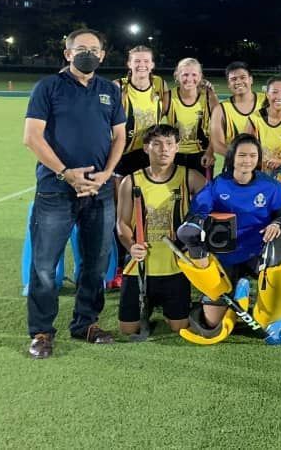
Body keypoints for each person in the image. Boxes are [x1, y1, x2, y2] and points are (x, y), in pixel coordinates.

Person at [23, 28, 127, 358]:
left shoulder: (110, 91)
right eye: (80, 49)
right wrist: (67, 174)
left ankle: (86, 323)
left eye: (93, 49)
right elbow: (32, 137)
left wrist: (107, 175)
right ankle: (41, 331)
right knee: (43, 265)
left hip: (99, 191)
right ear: (67, 54)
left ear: (102, 56)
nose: (87, 54)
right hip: (56, 190)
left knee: (96, 263)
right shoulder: (48, 87)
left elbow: (120, 137)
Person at [179, 133, 281, 339]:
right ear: (232, 157)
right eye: (242, 155)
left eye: (253, 156)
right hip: (225, 254)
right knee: (211, 323)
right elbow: (199, 210)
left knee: (274, 311)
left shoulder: (270, 187)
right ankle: (235, 297)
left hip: (259, 253)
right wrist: (196, 223)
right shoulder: (218, 185)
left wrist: (277, 223)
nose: (247, 160)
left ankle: (258, 301)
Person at [115, 124, 206, 336]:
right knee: (128, 330)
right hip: (140, 268)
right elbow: (121, 224)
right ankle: (146, 306)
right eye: (157, 144)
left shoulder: (190, 177)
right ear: (146, 148)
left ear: (177, 147)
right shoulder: (131, 181)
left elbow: (212, 202)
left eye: (169, 144)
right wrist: (131, 245)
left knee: (179, 327)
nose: (163, 149)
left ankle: (190, 307)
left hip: (175, 268)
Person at [116, 45, 168, 177]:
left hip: (150, 152)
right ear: (129, 64)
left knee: (148, 194)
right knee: (123, 195)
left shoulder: (159, 83)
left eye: (146, 61)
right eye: (137, 61)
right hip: (124, 153)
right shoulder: (118, 86)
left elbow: (165, 109)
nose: (142, 65)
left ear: (152, 65)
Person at [167, 57, 219, 172]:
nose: (189, 79)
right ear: (177, 75)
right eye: (185, 74)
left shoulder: (209, 96)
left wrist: (210, 152)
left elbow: (218, 128)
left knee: (202, 190)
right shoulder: (168, 97)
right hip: (175, 154)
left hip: (202, 155)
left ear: (200, 76)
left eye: (194, 75)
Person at [247, 75, 281, 185]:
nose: (279, 96)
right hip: (260, 175)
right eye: (274, 92)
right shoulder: (255, 118)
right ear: (267, 94)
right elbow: (244, 148)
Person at [210, 62, 264, 158]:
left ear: (251, 80)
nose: (238, 82)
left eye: (243, 77)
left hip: (267, 165)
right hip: (235, 166)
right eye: (233, 79)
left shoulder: (267, 101)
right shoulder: (220, 109)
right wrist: (242, 158)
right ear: (228, 84)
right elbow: (217, 145)